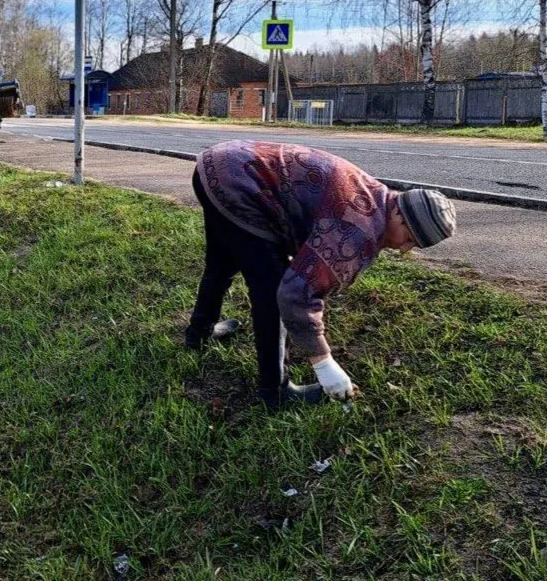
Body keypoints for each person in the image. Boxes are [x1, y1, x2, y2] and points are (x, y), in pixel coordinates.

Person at [186, 140, 457, 409]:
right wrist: (324, 364)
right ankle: (275, 392)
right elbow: (294, 295)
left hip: (218, 164)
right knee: (272, 290)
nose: (404, 249)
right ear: (399, 214)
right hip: (241, 186)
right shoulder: (357, 231)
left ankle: (199, 332)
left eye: (415, 246)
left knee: (222, 260)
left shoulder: (377, 195)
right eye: (409, 238)